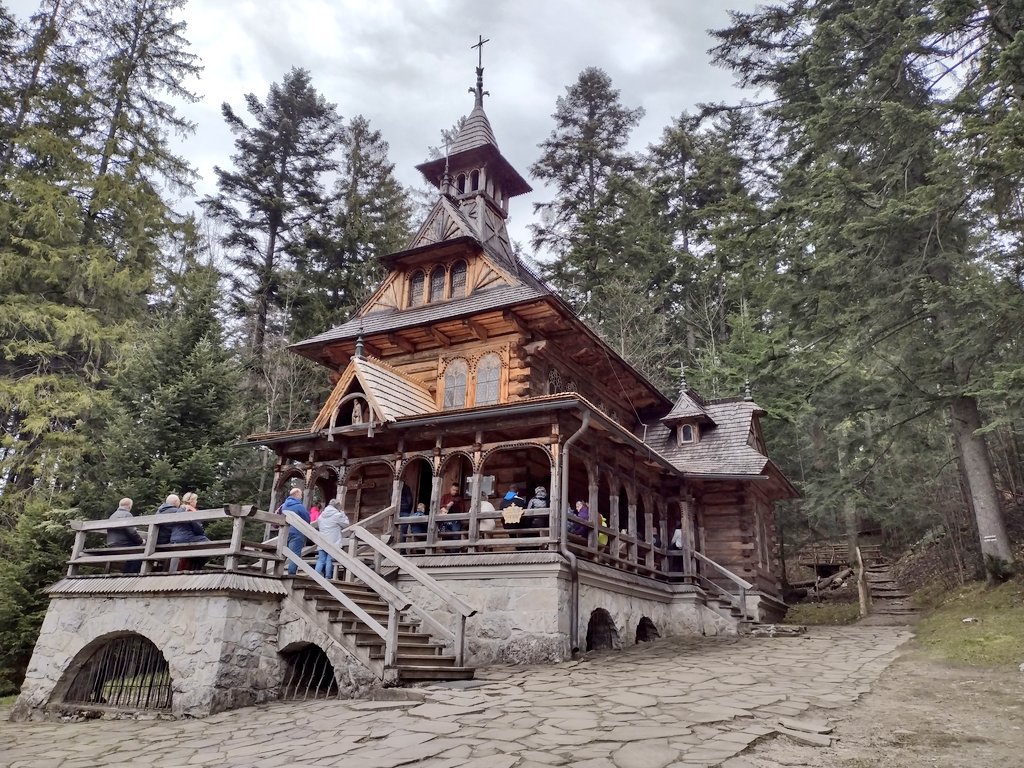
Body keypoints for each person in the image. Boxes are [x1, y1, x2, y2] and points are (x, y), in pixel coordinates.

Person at [170, 492, 211, 571]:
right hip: (185, 539)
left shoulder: (179, 510)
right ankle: (196, 569)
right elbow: (198, 529)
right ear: (191, 501)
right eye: (195, 500)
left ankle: (193, 567)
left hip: (174, 539)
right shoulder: (190, 511)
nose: (196, 502)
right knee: (209, 544)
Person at [106, 498, 144, 574]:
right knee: (140, 552)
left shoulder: (112, 516)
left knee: (133, 553)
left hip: (111, 544)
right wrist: (141, 541)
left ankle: (126, 573)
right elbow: (132, 532)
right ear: (130, 506)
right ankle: (131, 574)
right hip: (123, 544)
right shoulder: (127, 515)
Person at [314, 499, 350, 579]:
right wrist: (343, 513)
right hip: (333, 540)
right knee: (329, 560)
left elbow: (319, 524)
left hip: (322, 539)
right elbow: (346, 524)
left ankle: (315, 576)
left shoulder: (322, 515)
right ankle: (328, 577)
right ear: (337, 506)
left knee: (321, 560)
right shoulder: (337, 515)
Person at [281, 488, 311, 576]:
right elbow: (307, 518)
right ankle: (291, 575)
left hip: (285, 532)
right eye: (301, 495)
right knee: (294, 555)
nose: (301, 497)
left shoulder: (284, 505)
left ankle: (278, 570)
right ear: (297, 494)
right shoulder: (299, 506)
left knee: (283, 553)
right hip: (296, 532)